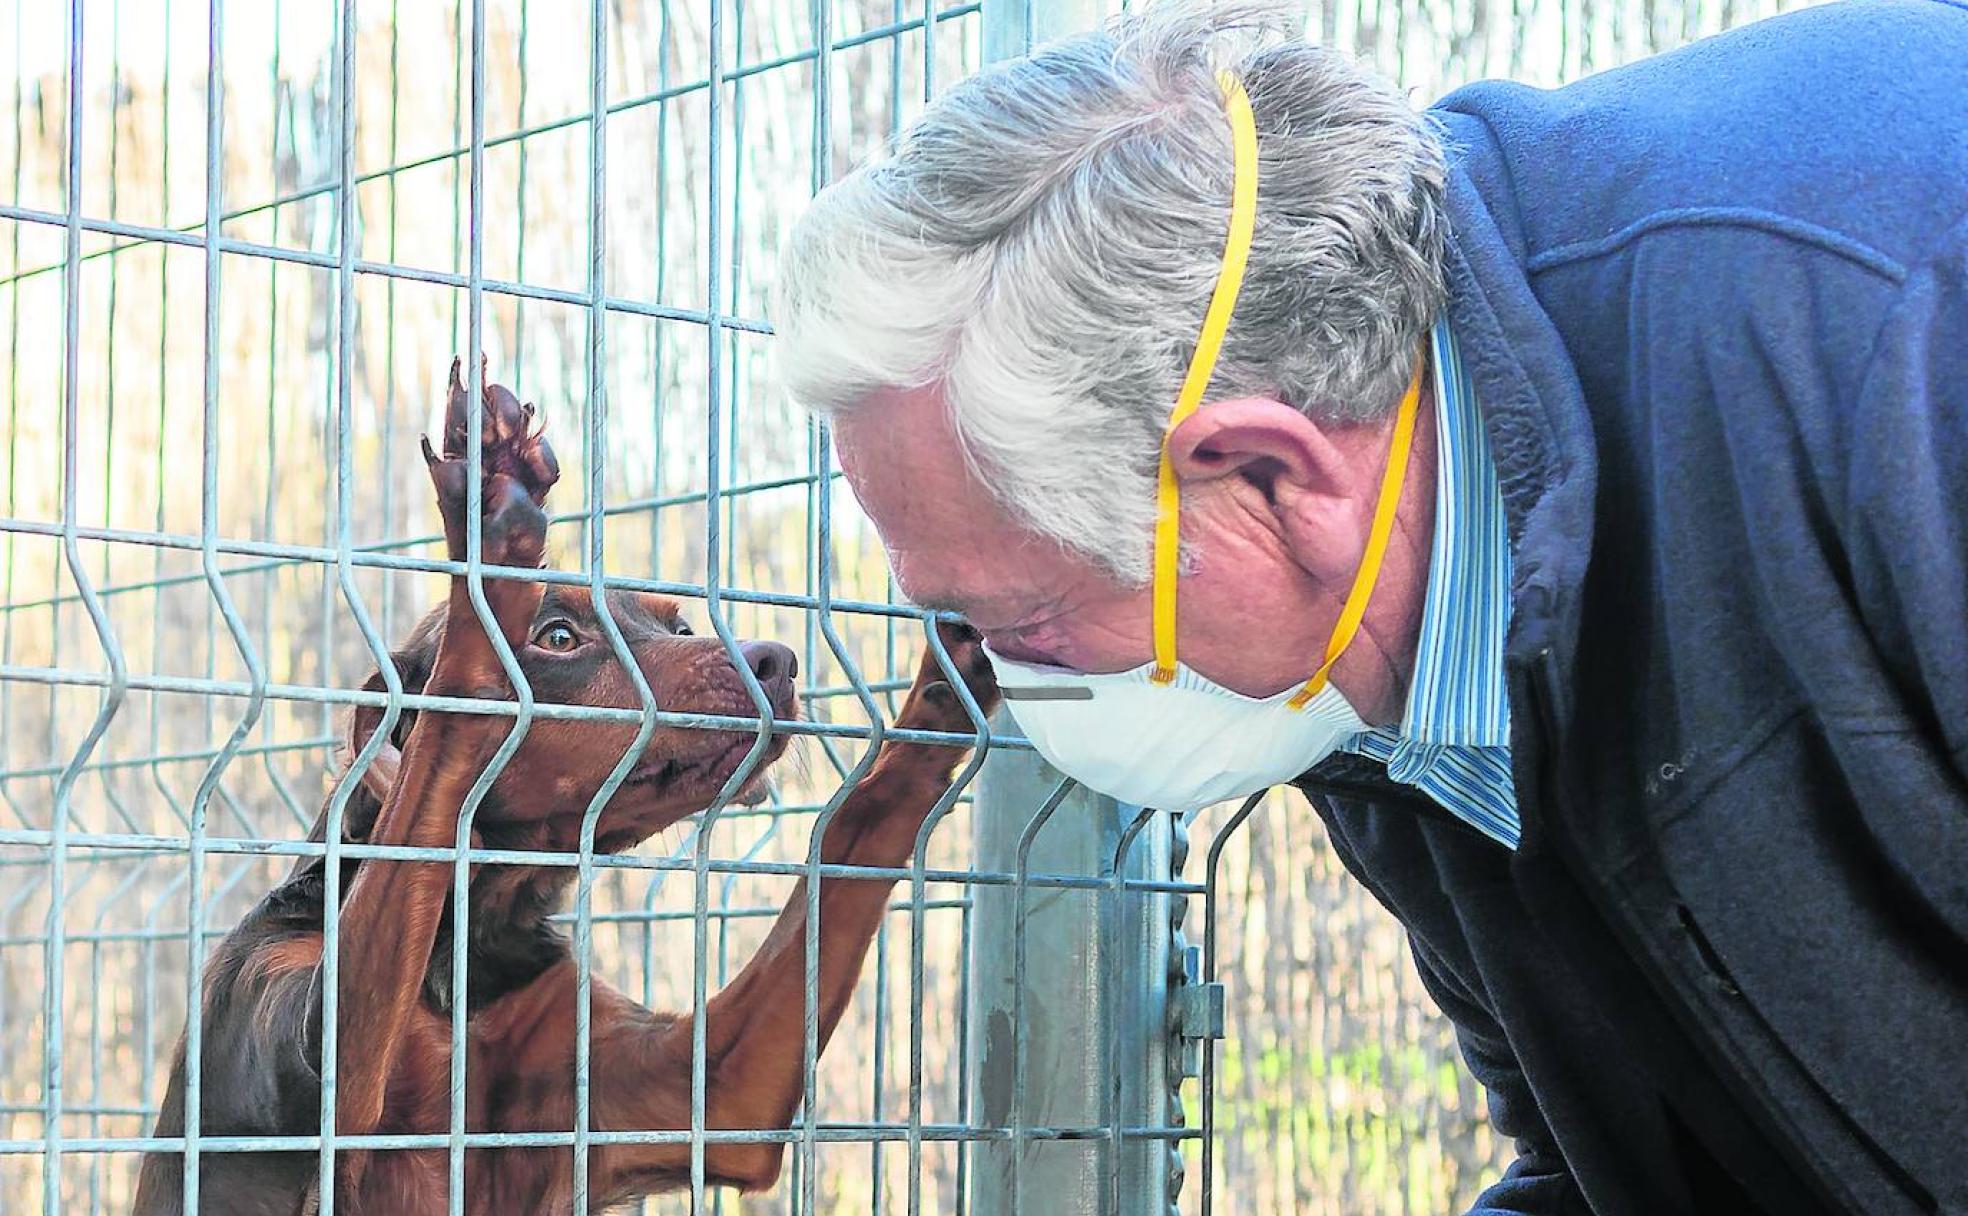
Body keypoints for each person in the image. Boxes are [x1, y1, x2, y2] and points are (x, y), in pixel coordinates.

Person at [771, 0, 1968, 1211]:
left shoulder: (1887, 328)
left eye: (1017, 619)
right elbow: (1623, 1170)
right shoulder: (1368, 654)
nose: (1010, 675)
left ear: (1266, 478)